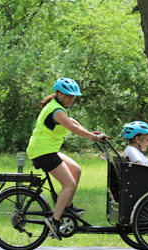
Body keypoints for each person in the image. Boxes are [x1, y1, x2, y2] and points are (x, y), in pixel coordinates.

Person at [26, 78, 108, 241]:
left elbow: (74, 123)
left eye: (73, 97)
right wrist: (93, 137)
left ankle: (67, 207)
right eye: (68, 96)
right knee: (69, 184)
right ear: (59, 94)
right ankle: (54, 221)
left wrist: (93, 136)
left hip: (48, 150)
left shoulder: (59, 109)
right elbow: (71, 128)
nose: (71, 99)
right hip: (42, 152)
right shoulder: (56, 111)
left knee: (76, 170)